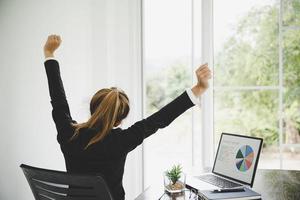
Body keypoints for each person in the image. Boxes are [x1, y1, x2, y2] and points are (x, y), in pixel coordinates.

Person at [44, 34, 211, 200]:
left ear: (92, 108)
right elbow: (160, 119)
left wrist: (49, 53)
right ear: (119, 120)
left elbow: (58, 101)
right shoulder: (121, 140)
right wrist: (199, 88)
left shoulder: (69, 133)